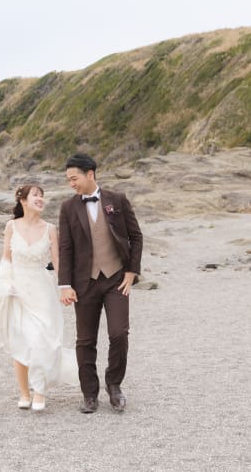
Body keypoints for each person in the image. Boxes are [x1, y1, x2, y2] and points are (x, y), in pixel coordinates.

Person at [58, 153, 143, 414]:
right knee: (85, 340)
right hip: (84, 283)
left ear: (90, 174)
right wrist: (65, 284)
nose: (71, 183)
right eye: (68, 179)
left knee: (119, 333)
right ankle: (89, 394)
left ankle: (114, 385)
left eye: (74, 178)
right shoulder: (68, 208)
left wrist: (132, 272)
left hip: (116, 279)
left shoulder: (117, 200)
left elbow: (135, 237)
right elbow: (65, 248)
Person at [0, 184, 77, 412]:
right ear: (23, 200)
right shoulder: (11, 226)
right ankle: (24, 392)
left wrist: (65, 287)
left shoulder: (50, 229)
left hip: (42, 290)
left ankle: (40, 391)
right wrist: (4, 284)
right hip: (18, 290)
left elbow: (57, 262)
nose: (40, 199)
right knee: (21, 341)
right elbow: (6, 258)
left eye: (42, 196)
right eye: (35, 195)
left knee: (42, 340)